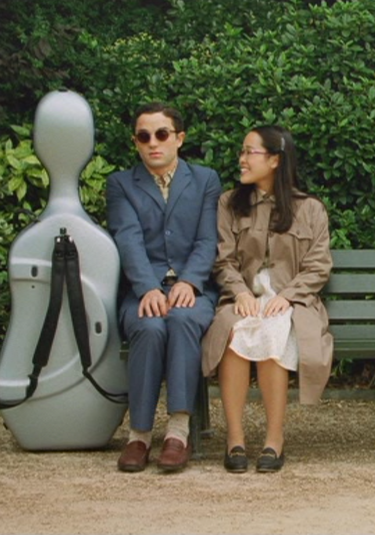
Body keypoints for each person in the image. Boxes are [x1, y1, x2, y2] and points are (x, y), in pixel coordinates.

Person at [200, 125, 333, 474]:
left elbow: (318, 266)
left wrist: (288, 296)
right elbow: (223, 260)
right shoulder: (229, 204)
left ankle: (274, 439)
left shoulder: (310, 209)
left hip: (292, 302)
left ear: (275, 160)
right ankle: (235, 439)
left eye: (250, 152)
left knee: (275, 332)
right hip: (243, 297)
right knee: (234, 333)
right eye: (242, 152)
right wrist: (240, 292)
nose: (241, 159)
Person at [106, 102, 221, 473]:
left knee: (183, 320)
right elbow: (128, 239)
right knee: (149, 326)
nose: (153, 143)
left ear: (179, 138)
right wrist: (147, 288)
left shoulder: (205, 180)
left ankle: (177, 433)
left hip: (193, 288)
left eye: (161, 134)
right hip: (144, 290)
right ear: (136, 142)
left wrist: (190, 280)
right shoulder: (121, 184)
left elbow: (207, 239)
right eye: (144, 136)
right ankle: (139, 435)